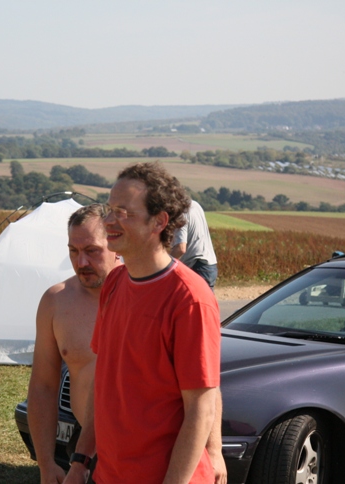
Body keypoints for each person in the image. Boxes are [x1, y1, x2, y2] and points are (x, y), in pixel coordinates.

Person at [67, 162, 223, 484]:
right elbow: (103, 381)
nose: (109, 221)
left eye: (123, 212)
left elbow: (201, 407)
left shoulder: (190, 298)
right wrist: (80, 461)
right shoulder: (114, 282)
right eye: (110, 210)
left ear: (159, 221)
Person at [27, 204, 121, 484]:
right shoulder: (57, 302)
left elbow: (199, 384)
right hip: (86, 448)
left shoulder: (144, 295)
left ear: (116, 245)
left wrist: (212, 449)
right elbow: (43, 386)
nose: (81, 262)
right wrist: (46, 463)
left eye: (92, 251)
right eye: (73, 251)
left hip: (144, 443)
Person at [171, 199, 218, 290]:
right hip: (209, 265)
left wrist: (164, 266)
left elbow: (180, 248)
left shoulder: (180, 214)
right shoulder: (195, 205)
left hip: (196, 267)